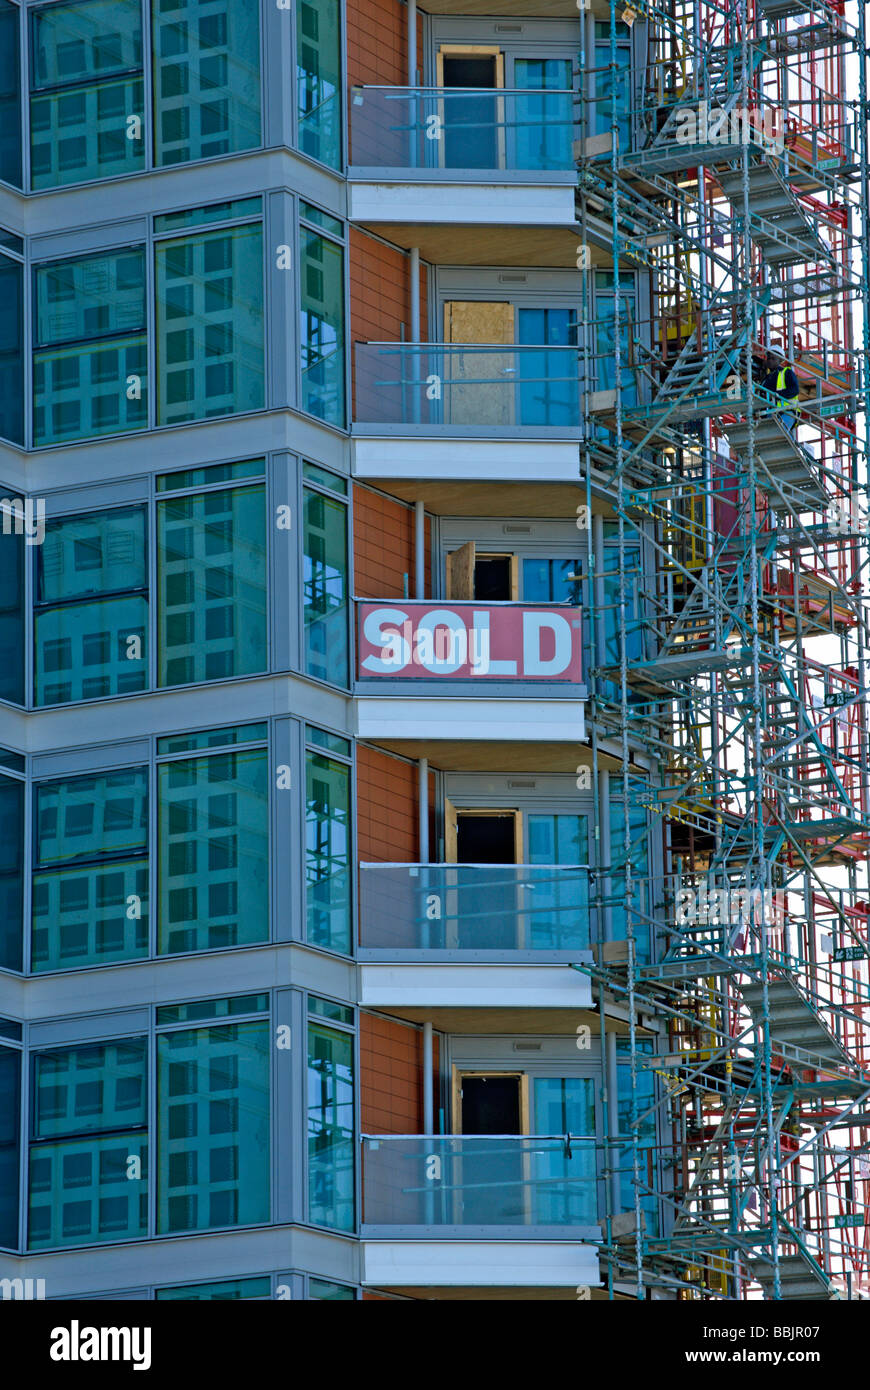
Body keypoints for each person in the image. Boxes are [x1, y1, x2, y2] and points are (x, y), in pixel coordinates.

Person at [761, 347, 800, 434]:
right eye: (769, 358)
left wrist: (777, 395)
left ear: (780, 360)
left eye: (773, 358)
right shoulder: (766, 379)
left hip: (787, 411)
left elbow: (794, 390)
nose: (770, 360)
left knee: (779, 434)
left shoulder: (786, 372)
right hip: (771, 413)